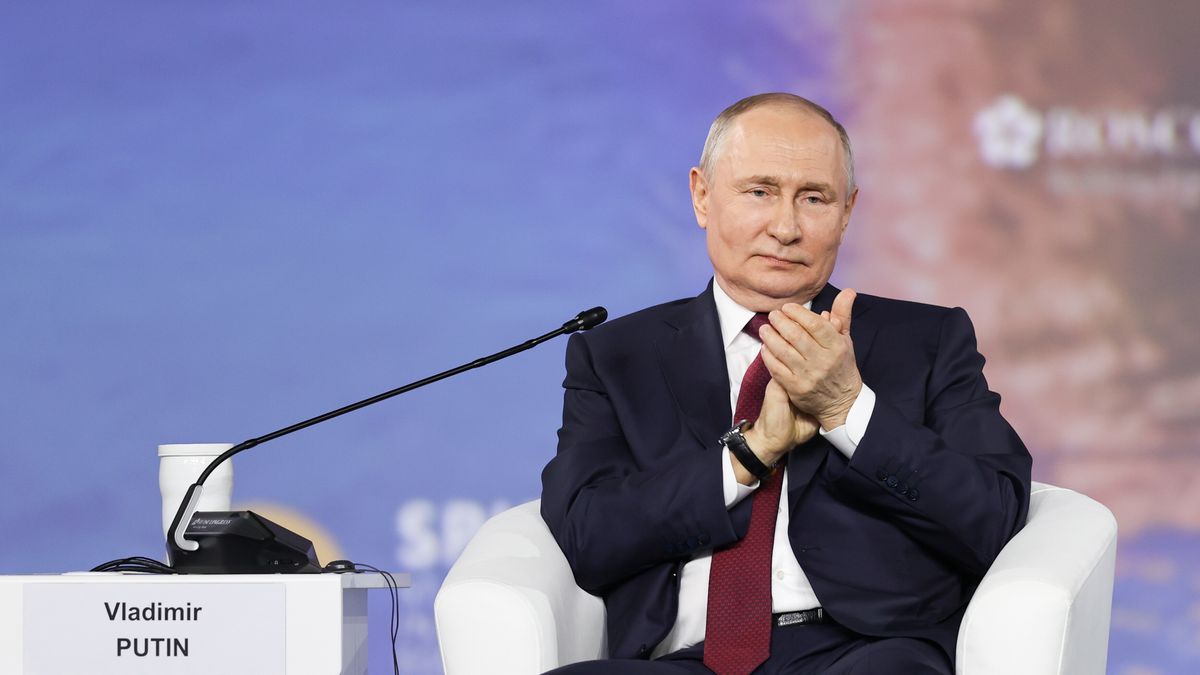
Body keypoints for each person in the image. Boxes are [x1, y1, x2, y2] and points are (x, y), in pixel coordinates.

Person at [540, 93, 1032, 674]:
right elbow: (588, 537)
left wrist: (849, 410)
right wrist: (750, 453)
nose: (786, 227)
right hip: (687, 661)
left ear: (847, 211)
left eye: (814, 198)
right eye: (759, 192)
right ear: (702, 195)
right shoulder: (616, 355)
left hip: (867, 652)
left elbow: (994, 517)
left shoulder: (924, 340)